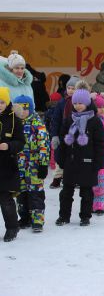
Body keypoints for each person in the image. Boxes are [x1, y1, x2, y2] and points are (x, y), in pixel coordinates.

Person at [55, 88, 104, 227]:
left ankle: (85, 216)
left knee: (86, 192)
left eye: (81, 103)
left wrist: (98, 164)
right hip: (71, 161)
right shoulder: (69, 119)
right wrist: (61, 159)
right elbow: (62, 140)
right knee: (66, 192)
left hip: (88, 163)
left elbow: (100, 144)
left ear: (87, 103)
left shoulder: (95, 121)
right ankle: (64, 216)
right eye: (75, 103)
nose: (77, 105)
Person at [14, 95, 50, 232]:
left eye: (25, 108)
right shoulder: (14, 124)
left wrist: (43, 164)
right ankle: (24, 218)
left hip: (34, 166)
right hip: (18, 166)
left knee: (35, 193)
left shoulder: (37, 124)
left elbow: (44, 145)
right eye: (19, 109)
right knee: (21, 193)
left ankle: (37, 220)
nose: (22, 112)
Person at [0, 87, 25, 242]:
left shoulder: (14, 119)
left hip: (6, 166)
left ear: (7, 102)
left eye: (2, 102)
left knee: (5, 199)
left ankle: (12, 227)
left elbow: (21, 142)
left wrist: (9, 146)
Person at [49, 75, 80, 189]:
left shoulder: (82, 102)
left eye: (73, 88)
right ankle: (57, 178)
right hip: (63, 135)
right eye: (69, 88)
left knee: (75, 157)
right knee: (60, 157)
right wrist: (55, 136)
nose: (70, 90)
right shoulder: (62, 102)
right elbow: (55, 120)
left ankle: (75, 178)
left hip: (76, 135)